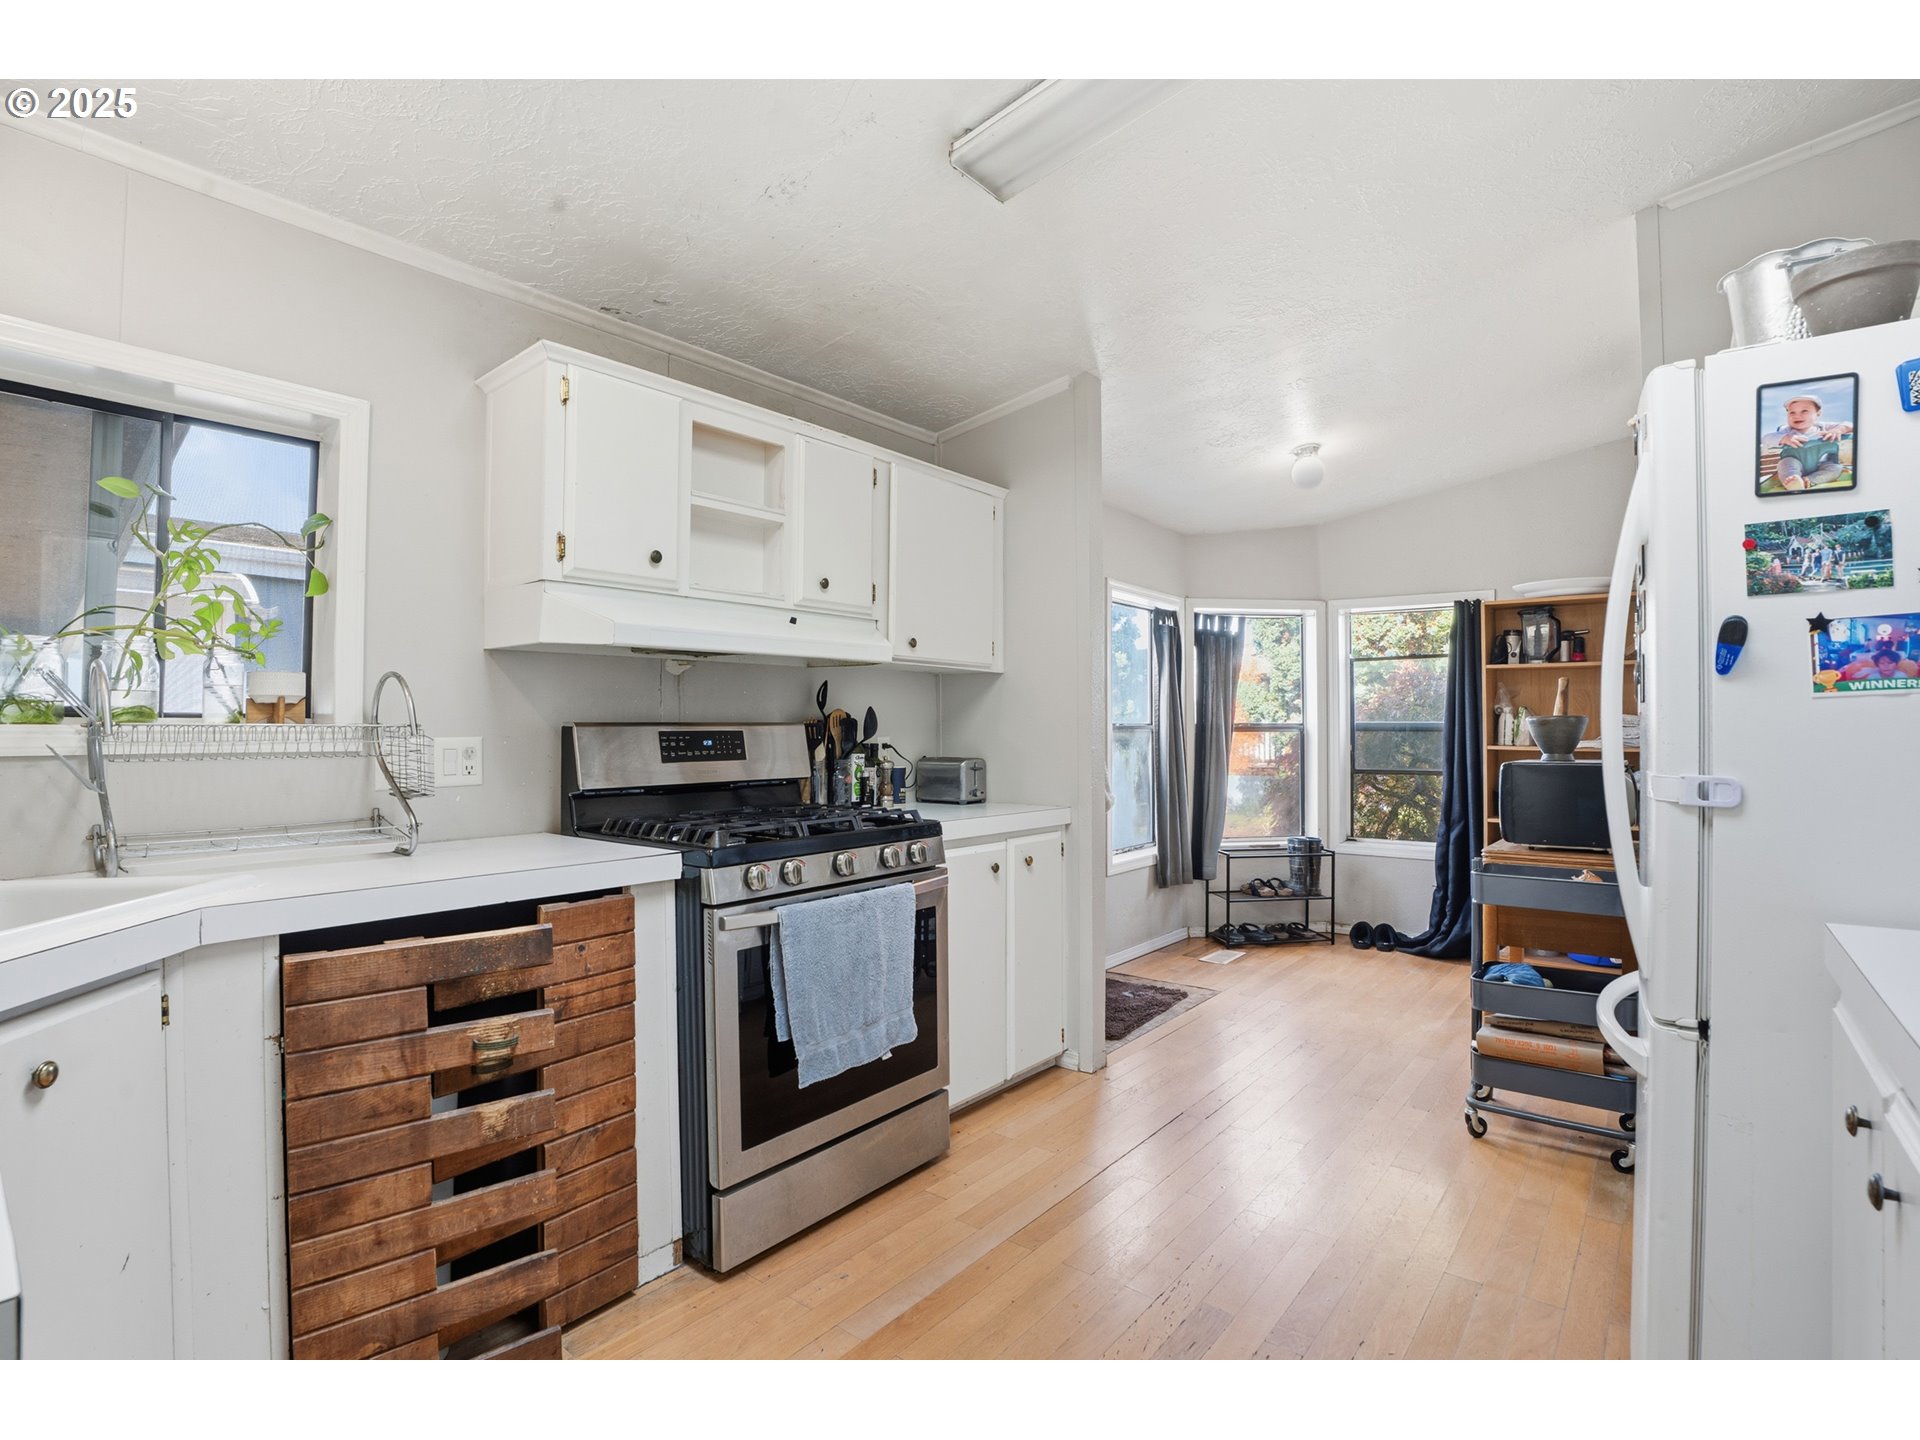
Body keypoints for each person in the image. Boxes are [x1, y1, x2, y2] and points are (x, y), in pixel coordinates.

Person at [1764, 394, 1852, 490]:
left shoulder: (1824, 427)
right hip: (1795, 461)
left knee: (1836, 468)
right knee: (1785, 464)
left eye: (1804, 411)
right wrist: (1784, 438)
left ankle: (1809, 480)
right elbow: (1766, 438)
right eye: (1792, 412)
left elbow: (1849, 425)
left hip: (1822, 463)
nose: (1797, 416)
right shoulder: (1786, 431)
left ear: (1818, 413)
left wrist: (1839, 430)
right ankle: (1793, 481)